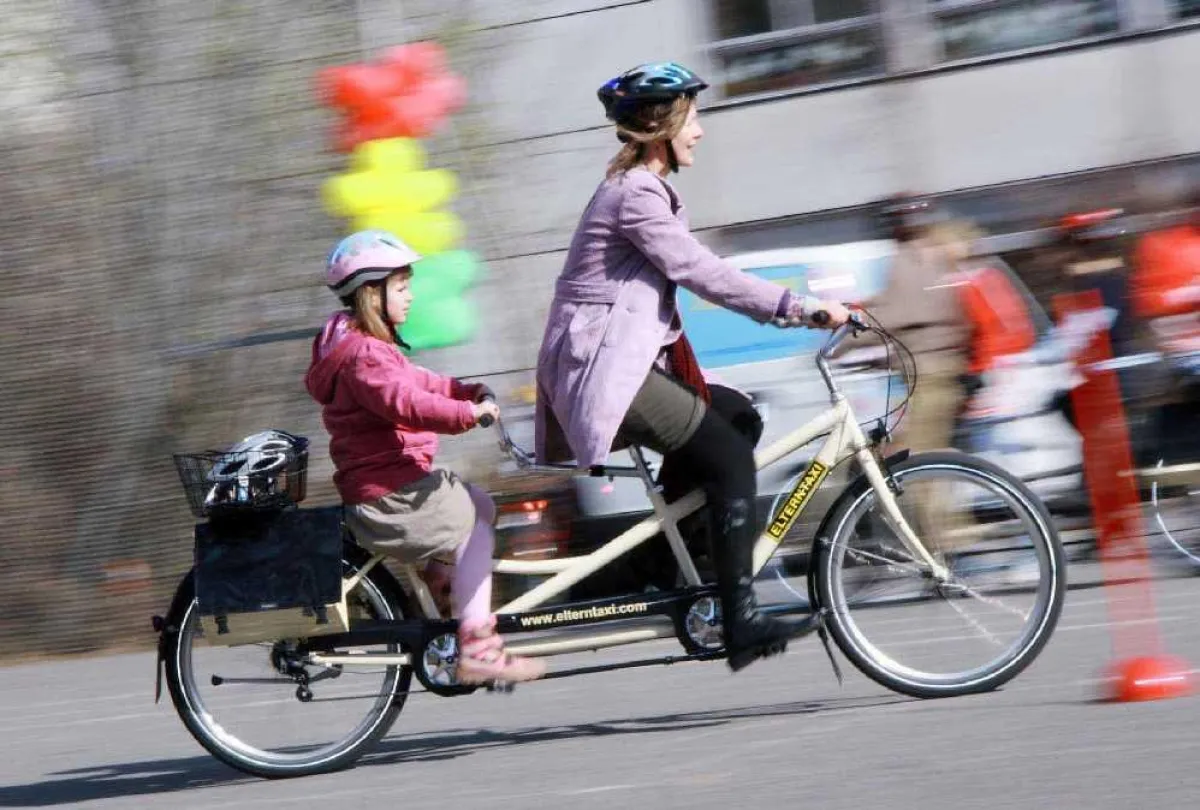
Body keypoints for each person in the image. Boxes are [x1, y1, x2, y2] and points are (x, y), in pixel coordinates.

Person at [534, 62, 849, 673]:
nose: (701, 130)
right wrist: (799, 308)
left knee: (737, 418)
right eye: (693, 116)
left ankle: (655, 566)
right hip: (604, 376)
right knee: (729, 458)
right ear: (663, 123)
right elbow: (702, 272)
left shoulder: (640, 192)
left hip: (618, 368)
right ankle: (739, 618)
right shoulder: (635, 196)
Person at [305, 230, 545, 685]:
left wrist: (462, 390)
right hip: (391, 495)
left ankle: (440, 585)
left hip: (397, 485)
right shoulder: (364, 357)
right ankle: (479, 646)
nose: (411, 296)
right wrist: (466, 414)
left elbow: (420, 383)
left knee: (482, 506)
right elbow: (405, 403)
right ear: (370, 295)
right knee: (475, 536)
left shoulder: (366, 349)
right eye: (401, 287)